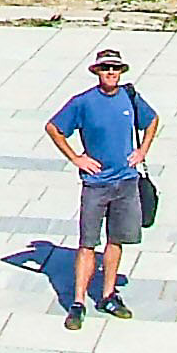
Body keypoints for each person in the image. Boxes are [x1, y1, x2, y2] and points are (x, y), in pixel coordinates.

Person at [44, 48, 160, 331]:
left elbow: (153, 120)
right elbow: (53, 127)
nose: (111, 73)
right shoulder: (83, 102)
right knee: (87, 244)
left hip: (126, 182)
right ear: (97, 71)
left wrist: (142, 151)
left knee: (116, 240)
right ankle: (78, 302)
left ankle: (108, 295)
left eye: (116, 68)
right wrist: (76, 158)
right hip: (96, 185)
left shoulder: (130, 98)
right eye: (106, 68)